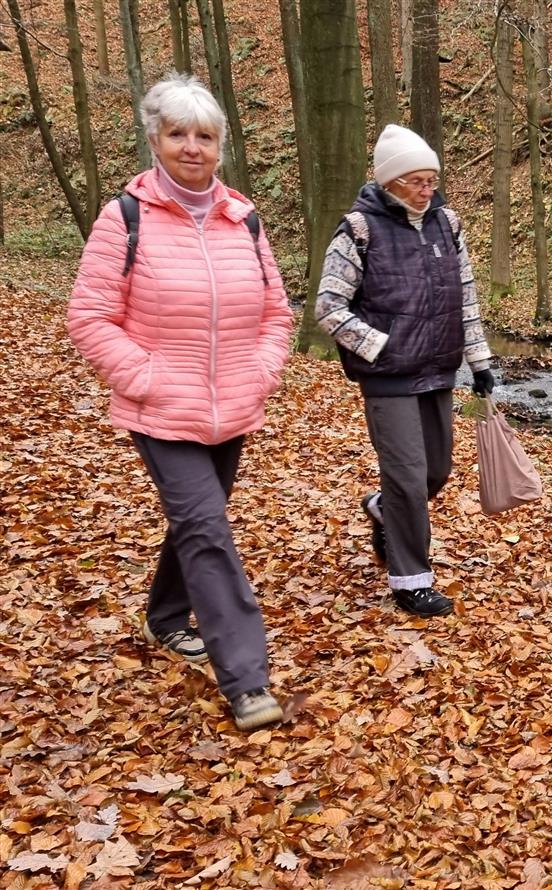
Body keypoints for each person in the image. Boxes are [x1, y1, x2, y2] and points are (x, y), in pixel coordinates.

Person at [68, 74, 293, 729]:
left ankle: (166, 616)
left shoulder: (243, 218)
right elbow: (89, 317)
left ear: (220, 145)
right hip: (162, 412)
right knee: (207, 530)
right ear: (155, 139)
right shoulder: (126, 217)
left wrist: (262, 371)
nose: (192, 147)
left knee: (198, 522)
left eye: (205, 136)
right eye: (178, 134)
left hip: (233, 407)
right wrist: (146, 377)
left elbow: (278, 312)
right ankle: (247, 678)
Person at [315, 124, 493, 619]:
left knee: (436, 471)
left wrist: (479, 361)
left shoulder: (447, 224)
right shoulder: (359, 229)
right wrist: (381, 346)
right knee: (409, 478)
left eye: (432, 179)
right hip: (389, 377)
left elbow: (467, 298)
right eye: (416, 180)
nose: (427, 189)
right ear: (391, 182)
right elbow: (329, 307)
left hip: (438, 370)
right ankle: (411, 580)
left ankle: (381, 507)